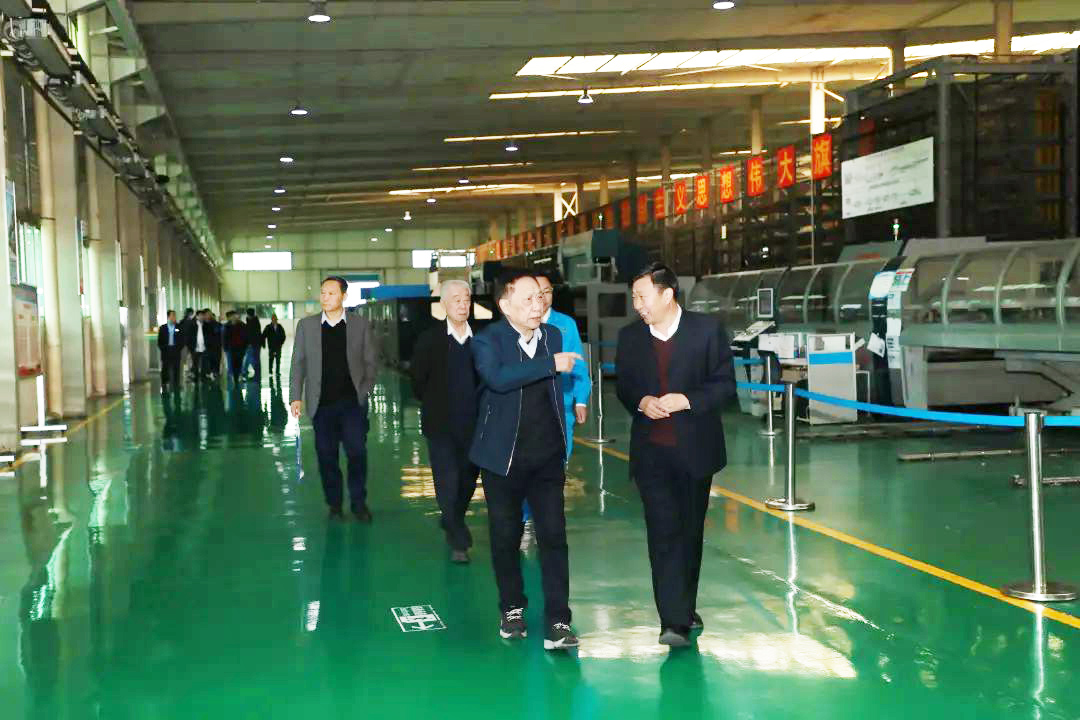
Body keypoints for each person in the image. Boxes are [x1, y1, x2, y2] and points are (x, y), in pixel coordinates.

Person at [615, 262, 736, 648]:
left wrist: (688, 400)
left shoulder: (707, 331)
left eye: (642, 297)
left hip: (695, 452)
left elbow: (724, 385)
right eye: (634, 298)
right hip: (651, 453)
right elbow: (624, 386)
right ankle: (673, 621)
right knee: (663, 532)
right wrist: (641, 401)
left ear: (667, 294)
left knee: (690, 533)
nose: (637, 305)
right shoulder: (630, 337)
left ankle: (684, 605)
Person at [469, 268, 582, 651]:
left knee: (554, 537)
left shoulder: (553, 336)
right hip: (503, 459)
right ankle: (512, 607)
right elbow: (499, 379)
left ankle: (558, 620)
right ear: (505, 305)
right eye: (528, 299)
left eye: (541, 297)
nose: (538, 305)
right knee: (506, 536)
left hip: (547, 457)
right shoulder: (487, 341)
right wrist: (550, 364)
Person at [290, 277, 379, 522]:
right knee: (326, 456)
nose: (325, 297)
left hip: (352, 404)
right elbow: (298, 364)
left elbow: (371, 361)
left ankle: (359, 504)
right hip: (322, 405)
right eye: (323, 293)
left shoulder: (360, 325)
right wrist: (295, 397)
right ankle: (335, 504)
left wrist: (365, 390)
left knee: (357, 452)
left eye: (331, 293)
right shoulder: (307, 326)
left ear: (344, 296)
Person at [410, 280, 479, 564]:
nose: (462, 305)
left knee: (468, 480)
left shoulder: (482, 339)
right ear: (444, 305)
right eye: (456, 300)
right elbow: (418, 382)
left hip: (475, 425)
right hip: (440, 425)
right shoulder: (429, 340)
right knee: (447, 480)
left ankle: (452, 517)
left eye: (466, 299)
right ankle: (458, 540)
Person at [534, 272, 591, 458]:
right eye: (538, 292)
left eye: (547, 291)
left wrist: (580, 400)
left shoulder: (566, 324)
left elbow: (579, 366)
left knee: (560, 459)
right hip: (530, 407)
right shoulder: (520, 324)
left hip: (562, 406)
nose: (543, 297)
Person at [157, 310, 184, 391]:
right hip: (166, 351)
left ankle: (176, 383)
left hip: (176, 351)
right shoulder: (163, 328)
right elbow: (160, 341)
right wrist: (163, 349)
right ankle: (164, 383)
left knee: (176, 368)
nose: (174, 318)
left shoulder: (179, 327)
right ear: (168, 317)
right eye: (172, 316)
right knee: (165, 368)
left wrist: (178, 348)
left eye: (174, 316)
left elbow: (182, 339)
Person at [225, 312, 248, 385]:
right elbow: (225, 337)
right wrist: (226, 347)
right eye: (233, 317)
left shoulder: (242, 325)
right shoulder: (227, 326)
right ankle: (234, 377)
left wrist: (245, 346)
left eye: (236, 317)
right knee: (233, 362)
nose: (234, 318)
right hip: (232, 348)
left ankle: (238, 375)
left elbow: (246, 337)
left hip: (241, 348)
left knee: (239, 362)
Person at [188, 310, 209, 382]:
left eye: (203, 315)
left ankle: (203, 377)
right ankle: (196, 377)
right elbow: (188, 337)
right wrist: (190, 347)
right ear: (197, 316)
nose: (201, 317)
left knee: (204, 363)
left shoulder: (206, 325)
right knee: (195, 364)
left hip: (204, 348)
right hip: (195, 348)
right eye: (200, 315)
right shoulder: (192, 325)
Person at [242, 308, 263, 381]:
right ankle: (247, 371)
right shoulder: (254, 321)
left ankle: (252, 373)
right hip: (255, 344)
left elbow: (251, 334)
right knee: (253, 358)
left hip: (253, 344)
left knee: (252, 359)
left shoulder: (252, 323)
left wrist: (249, 343)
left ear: (249, 314)